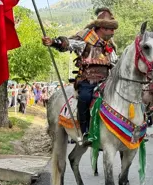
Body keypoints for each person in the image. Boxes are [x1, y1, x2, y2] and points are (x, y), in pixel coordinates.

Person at [42, 7, 118, 145]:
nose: (113, 32)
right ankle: (85, 131)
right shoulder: (85, 39)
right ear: (101, 27)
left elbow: (115, 63)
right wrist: (53, 42)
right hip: (87, 80)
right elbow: (69, 44)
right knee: (85, 98)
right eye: (110, 29)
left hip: (107, 81)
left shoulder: (110, 46)